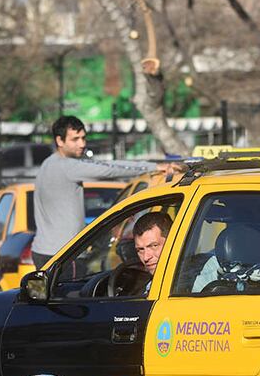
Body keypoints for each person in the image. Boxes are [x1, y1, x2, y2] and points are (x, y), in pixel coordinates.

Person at [32, 115, 183, 268]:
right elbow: (109, 168)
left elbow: (61, 216)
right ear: (59, 141)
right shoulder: (68, 166)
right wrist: (155, 167)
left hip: (42, 251)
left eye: (84, 138)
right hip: (64, 256)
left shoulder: (47, 164)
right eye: (75, 139)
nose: (82, 144)